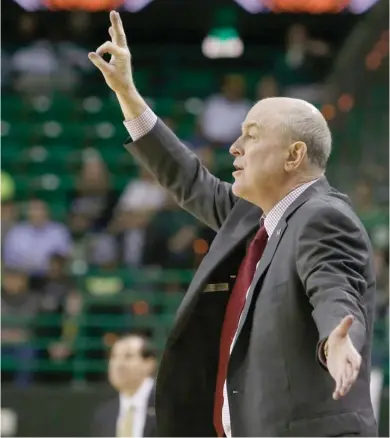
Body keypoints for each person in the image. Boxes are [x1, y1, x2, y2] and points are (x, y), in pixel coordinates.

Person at [88, 11, 377, 437]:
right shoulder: (252, 217)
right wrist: (127, 94)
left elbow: (332, 285)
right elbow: (187, 178)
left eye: (252, 135)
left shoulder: (323, 217)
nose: (235, 147)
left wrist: (335, 337)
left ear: (293, 156)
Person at [91, 334, 158, 437]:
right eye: (113, 357)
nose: (119, 364)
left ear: (149, 363)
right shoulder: (104, 414)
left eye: (128, 356)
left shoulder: (166, 405)